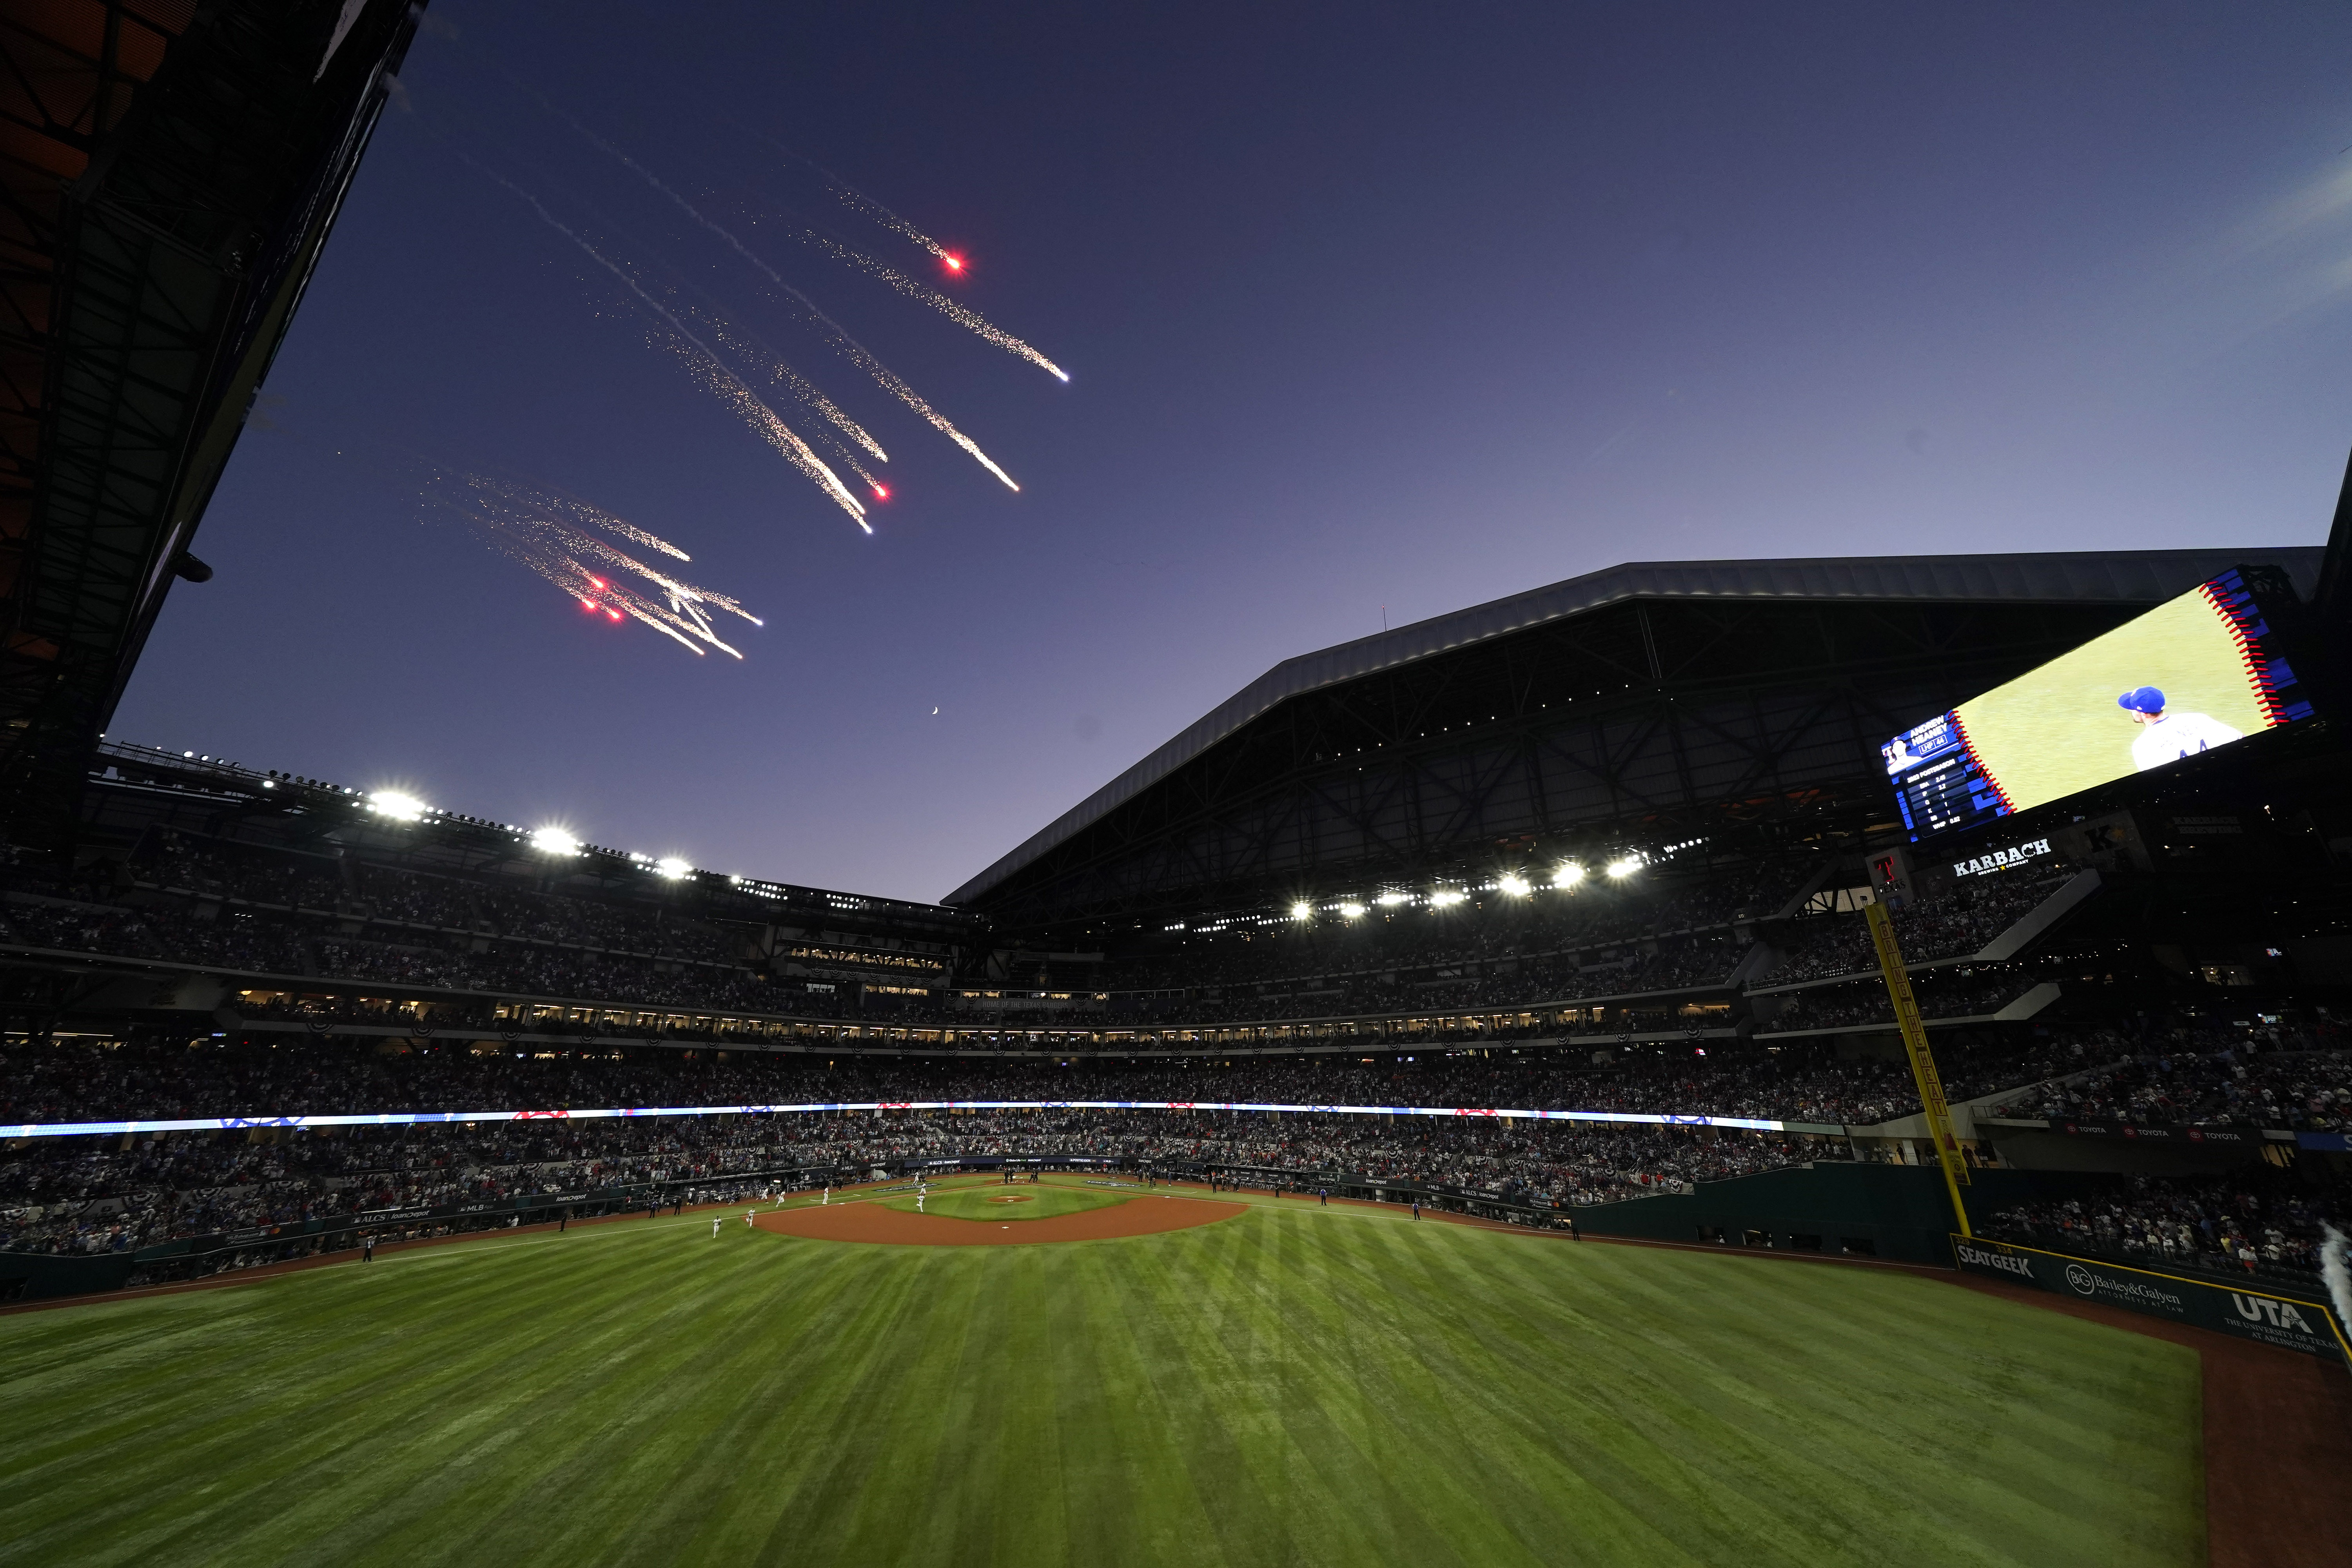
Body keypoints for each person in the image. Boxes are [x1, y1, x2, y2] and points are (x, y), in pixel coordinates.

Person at [2118, 686, 2243, 771]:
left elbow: (2154, 784)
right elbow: (2241, 741)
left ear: (2144, 714)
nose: (2130, 710)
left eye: (2132, 708)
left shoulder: (2143, 745)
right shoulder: (2197, 719)